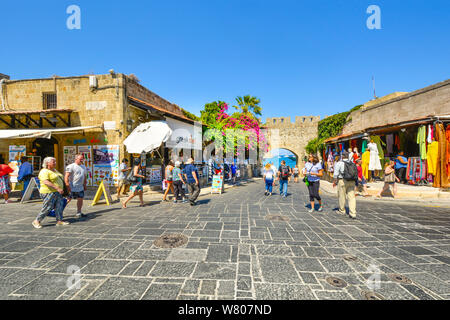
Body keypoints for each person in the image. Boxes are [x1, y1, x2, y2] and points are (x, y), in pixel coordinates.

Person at [32, 157, 69, 229]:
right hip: (49, 192)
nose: (55, 163)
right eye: (53, 162)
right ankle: (37, 221)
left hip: (57, 192)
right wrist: (57, 188)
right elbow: (46, 182)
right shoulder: (44, 171)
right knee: (47, 207)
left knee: (59, 206)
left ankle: (59, 220)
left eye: (55, 162)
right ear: (47, 163)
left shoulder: (54, 170)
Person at [333, 151, 357, 219]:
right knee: (352, 197)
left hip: (342, 181)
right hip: (352, 181)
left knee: (342, 196)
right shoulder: (352, 163)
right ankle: (353, 213)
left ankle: (342, 210)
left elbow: (335, 174)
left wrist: (335, 181)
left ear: (342, 156)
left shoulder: (339, 163)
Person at [65, 154, 87, 218]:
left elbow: (84, 176)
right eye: (80, 159)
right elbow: (66, 176)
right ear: (76, 159)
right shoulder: (71, 166)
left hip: (80, 187)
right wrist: (67, 185)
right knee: (68, 199)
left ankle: (79, 212)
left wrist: (85, 185)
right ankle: (58, 211)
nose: (82, 160)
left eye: (82, 159)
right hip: (72, 186)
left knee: (80, 199)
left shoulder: (83, 167)